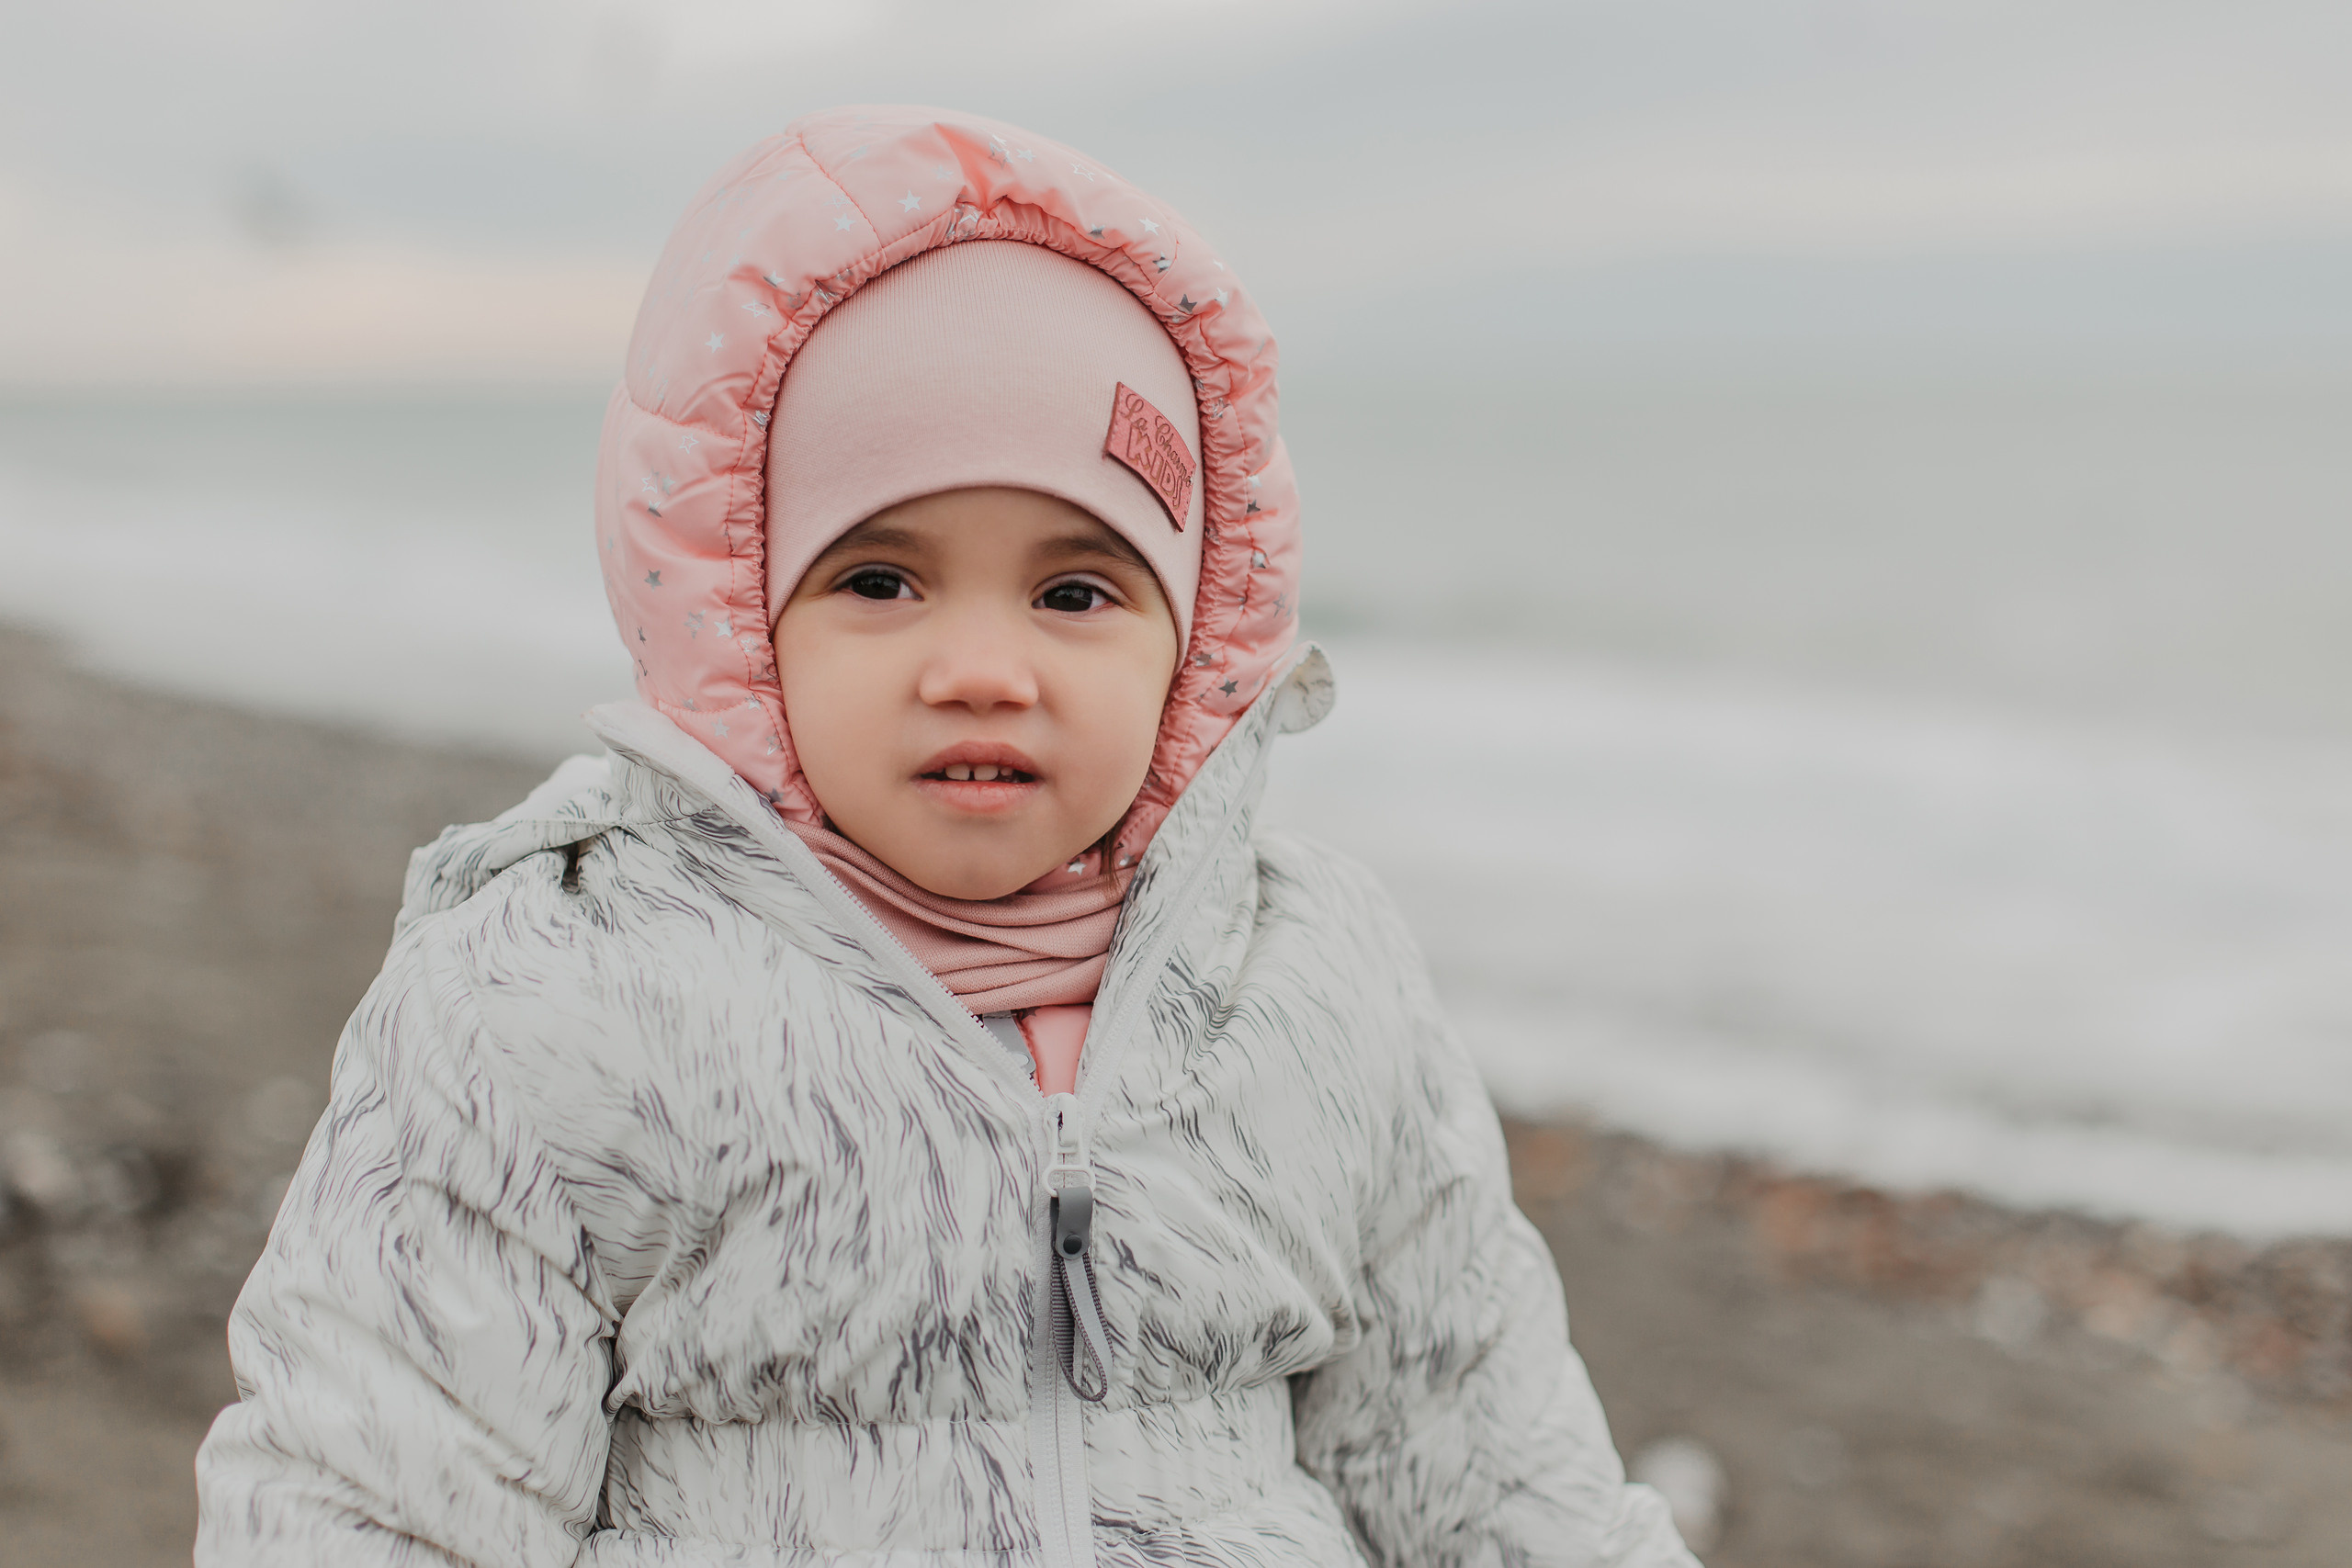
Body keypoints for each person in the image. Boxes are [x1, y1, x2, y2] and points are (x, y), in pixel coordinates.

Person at [194, 106, 1699, 1568]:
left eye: (1075, 593)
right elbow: (379, 1491)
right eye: (880, 580)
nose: (984, 664)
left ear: (1191, 647)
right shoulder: (555, 994)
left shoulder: (1308, 985)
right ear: (734, 609)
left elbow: (1489, 1460)